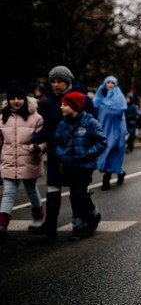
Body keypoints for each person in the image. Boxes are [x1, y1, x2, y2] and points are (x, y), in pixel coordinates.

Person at [29, 65, 97, 239]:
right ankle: (50, 227)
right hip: (55, 152)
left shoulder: (82, 100)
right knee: (52, 187)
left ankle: (84, 222)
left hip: (76, 153)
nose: (56, 85)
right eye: (53, 81)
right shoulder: (50, 102)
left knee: (77, 192)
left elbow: (93, 124)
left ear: (68, 82)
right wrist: (35, 140)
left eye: (60, 81)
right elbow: (48, 126)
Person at [55, 92, 107, 240]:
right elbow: (57, 142)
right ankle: (78, 227)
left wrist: (86, 153)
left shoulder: (90, 122)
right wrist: (62, 155)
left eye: (65, 104)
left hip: (85, 166)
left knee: (79, 193)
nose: (61, 107)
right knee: (74, 196)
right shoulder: (63, 124)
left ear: (74, 106)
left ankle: (93, 215)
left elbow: (102, 142)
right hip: (69, 166)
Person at [0, 83, 46, 240]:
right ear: (8, 100)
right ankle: (2, 225)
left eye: (19, 98)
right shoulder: (2, 118)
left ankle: (39, 218)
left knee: (31, 190)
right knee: (8, 193)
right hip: (8, 160)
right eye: (12, 98)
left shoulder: (36, 118)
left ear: (25, 99)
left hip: (29, 159)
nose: (16, 101)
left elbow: (43, 139)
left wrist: (38, 148)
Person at [93, 75, 127, 190]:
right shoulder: (100, 95)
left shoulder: (119, 97)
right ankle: (120, 172)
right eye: (108, 82)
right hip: (103, 130)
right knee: (103, 153)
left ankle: (106, 180)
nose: (110, 84)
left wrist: (108, 105)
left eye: (113, 83)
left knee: (110, 152)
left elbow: (119, 112)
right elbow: (94, 110)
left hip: (115, 130)